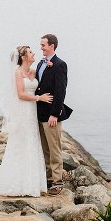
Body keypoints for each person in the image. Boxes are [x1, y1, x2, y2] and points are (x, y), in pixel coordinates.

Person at [0, 45, 53, 197]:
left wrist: (48, 65)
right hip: (23, 112)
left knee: (32, 143)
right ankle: (17, 182)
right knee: (21, 145)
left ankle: (32, 183)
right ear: (24, 57)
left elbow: (44, 76)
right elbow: (21, 94)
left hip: (32, 113)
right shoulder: (17, 73)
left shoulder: (33, 71)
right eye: (30, 52)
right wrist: (39, 98)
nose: (34, 53)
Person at [35, 34, 72, 196]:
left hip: (51, 115)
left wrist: (55, 114)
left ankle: (57, 182)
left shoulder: (59, 64)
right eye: (41, 45)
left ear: (52, 46)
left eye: (43, 45)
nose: (41, 47)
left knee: (55, 150)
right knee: (45, 150)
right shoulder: (40, 64)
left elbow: (60, 91)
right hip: (39, 114)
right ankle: (49, 179)